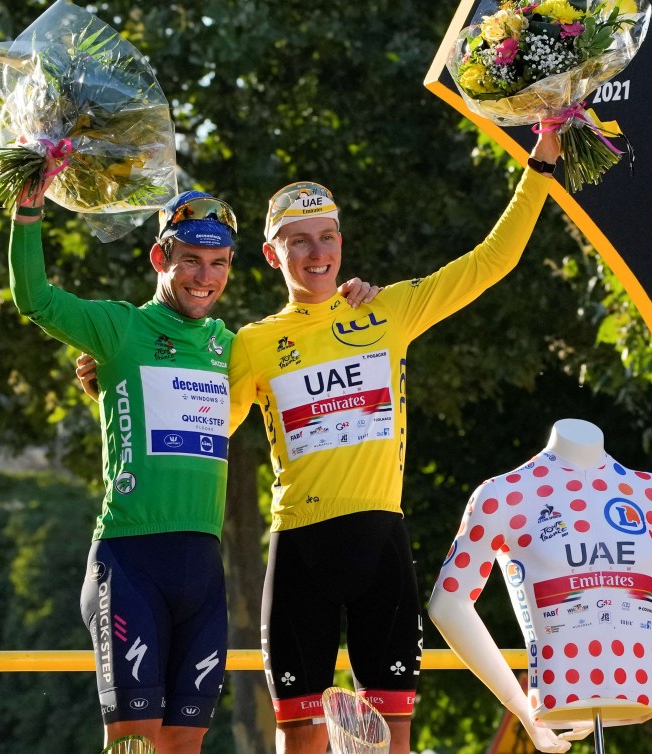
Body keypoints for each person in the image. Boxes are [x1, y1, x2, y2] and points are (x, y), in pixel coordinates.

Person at [12, 157, 376, 754]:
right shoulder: (118, 330)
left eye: (218, 264)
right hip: (130, 563)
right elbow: (35, 300)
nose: (204, 278)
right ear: (161, 260)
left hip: (203, 570)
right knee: (134, 744)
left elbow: (307, 350)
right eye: (190, 261)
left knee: (185, 744)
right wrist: (29, 208)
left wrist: (355, 299)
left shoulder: (232, 347)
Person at [226, 128, 562, 754]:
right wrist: (112, 379)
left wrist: (541, 158)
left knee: (390, 741)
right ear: (273, 256)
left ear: (341, 242)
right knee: (300, 738)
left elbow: (493, 260)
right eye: (297, 241)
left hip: (381, 543)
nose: (315, 252)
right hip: (300, 547)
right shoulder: (251, 343)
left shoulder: (387, 311)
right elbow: (197, 422)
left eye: (326, 237)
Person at [427, 419, 652, 752]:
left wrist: (639, 669)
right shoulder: (504, 494)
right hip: (556, 692)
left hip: (635, 692)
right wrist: (521, 707)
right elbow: (447, 604)